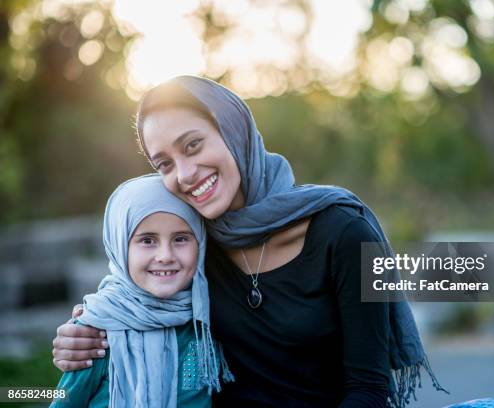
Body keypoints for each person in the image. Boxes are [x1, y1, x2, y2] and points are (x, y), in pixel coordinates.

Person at [52, 76, 446, 407]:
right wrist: (81, 331)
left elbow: (370, 390)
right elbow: (132, 297)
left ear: (233, 131)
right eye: (165, 164)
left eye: (193, 145)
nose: (185, 174)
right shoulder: (195, 243)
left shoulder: (347, 233)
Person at [51, 174, 232, 407]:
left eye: (180, 238)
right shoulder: (97, 331)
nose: (165, 256)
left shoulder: (207, 321)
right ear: (119, 245)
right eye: (147, 240)